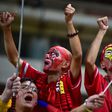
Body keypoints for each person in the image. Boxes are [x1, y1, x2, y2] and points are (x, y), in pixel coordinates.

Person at [0, 4, 82, 112]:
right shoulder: (37, 79)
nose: (47, 55)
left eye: (53, 54)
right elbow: (14, 59)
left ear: (65, 64)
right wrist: (6, 29)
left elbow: (78, 55)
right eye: (47, 53)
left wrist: (69, 22)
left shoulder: (70, 80)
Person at [84, 16, 112, 111]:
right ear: (103, 64)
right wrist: (102, 31)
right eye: (110, 53)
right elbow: (89, 62)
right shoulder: (99, 83)